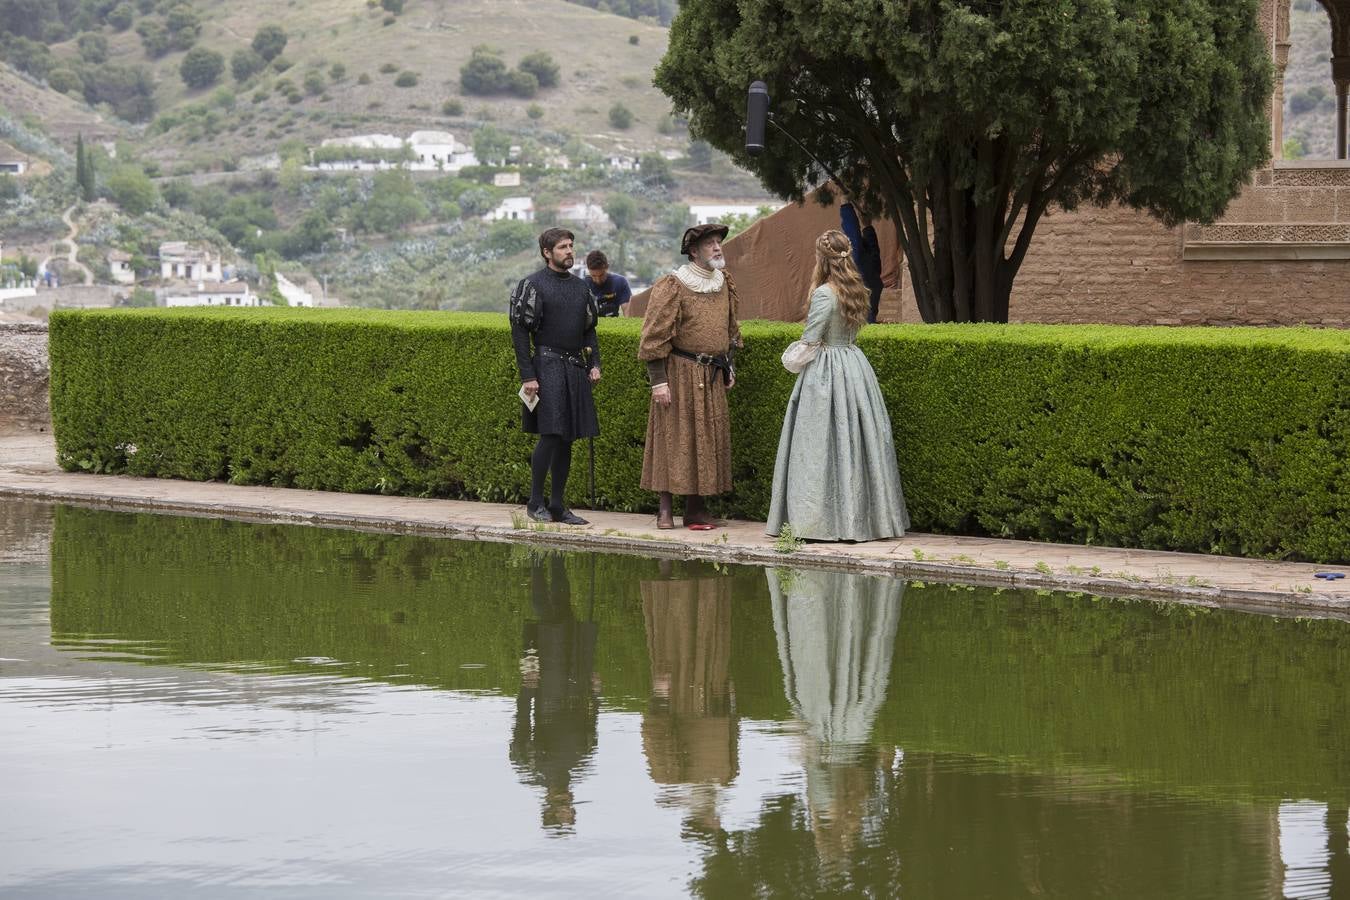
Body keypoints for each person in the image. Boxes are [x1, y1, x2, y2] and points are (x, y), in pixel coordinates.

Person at [765, 229, 909, 542]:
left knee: (817, 447)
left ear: (821, 259)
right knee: (854, 441)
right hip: (854, 366)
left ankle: (815, 523)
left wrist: (789, 360)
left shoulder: (823, 294)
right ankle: (860, 521)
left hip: (826, 372)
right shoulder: (856, 289)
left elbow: (811, 341)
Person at [637, 223, 742, 530]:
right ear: (694, 251)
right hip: (679, 374)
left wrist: (729, 365)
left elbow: (730, 329)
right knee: (672, 439)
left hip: (711, 375)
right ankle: (665, 510)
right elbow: (653, 337)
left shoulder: (724, 282)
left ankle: (696, 510)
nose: (718, 247)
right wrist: (659, 381)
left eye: (719, 242)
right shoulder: (673, 284)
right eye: (710, 244)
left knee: (704, 441)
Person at [509, 228, 601, 525]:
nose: (569, 251)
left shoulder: (581, 288)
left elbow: (589, 330)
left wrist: (594, 363)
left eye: (571, 245)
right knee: (550, 435)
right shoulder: (533, 285)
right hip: (546, 366)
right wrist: (527, 376)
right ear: (547, 253)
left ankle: (558, 506)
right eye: (562, 247)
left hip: (574, 368)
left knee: (567, 439)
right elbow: (520, 333)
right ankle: (535, 502)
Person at [839, 200, 884, 324]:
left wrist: (845, 206)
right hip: (866, 319)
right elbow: (873, 253)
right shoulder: (871, 273)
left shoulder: (859, 268)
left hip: (861, 322)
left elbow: (855, 240)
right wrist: (867, 227)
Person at [584, 250, 631, 317]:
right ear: (588, 270)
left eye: (601, 275)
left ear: (607, 267)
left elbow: (628, 312)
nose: (598, 280)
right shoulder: (581, 285)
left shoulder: (620, 282)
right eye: (593, 276)